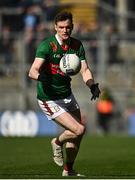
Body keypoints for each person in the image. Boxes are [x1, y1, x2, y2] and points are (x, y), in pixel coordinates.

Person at [28, 11, 100, 177]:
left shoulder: (76, 45)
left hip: (67, 94)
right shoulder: (47, 46)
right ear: (55, 27)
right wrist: (42, 77)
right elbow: (32, 71)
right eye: (61, 27)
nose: (65, 30)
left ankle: (68, 170)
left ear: (72, 27)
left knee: (77, 136)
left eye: (68, 27)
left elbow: (85, 69)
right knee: (79, 129)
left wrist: (92, 85)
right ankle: (57, 141)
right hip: (49, 98)